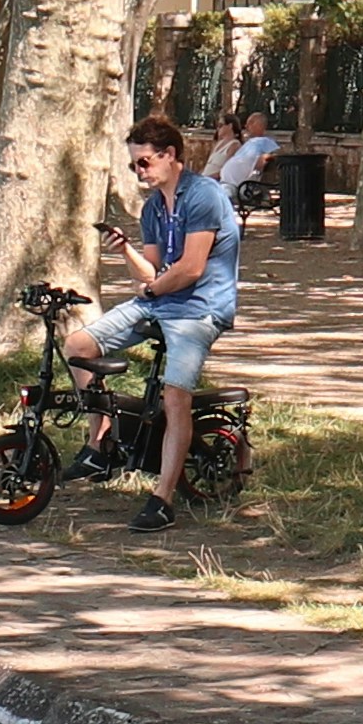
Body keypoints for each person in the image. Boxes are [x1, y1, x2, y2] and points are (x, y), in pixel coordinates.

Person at [96, 116, 239, 529]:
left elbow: (191, 269)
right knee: (79, 347)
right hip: (160, 303)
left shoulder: (204, 196)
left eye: (143, 162)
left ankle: (162, 500)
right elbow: (152, 271)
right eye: (133, 165)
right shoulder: (154, 207)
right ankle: (97, 448)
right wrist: (126, 252)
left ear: (170, 155)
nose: (139, 171)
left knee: (175, 396)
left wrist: (153, 291)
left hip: (199, 308)